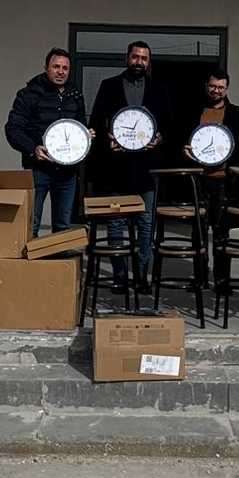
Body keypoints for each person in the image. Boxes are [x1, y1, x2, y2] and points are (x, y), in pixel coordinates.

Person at [87, 40, 174, 293]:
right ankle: (119, 276)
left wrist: (160, 138)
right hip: (117, 168)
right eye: (136, 57)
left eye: (144, 58)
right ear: (127, 58)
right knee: (116, 222)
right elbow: (97, 122)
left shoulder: (158, 88)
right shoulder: (109, 86)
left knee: (146, 223)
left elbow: (168, 123)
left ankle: (141, 276)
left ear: (149, 62)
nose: (139, 62)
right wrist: (107, 141)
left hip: (147, 168)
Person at [4, 47, 90, 235]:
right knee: (30, 223)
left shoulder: (75, 96)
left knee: (62, 226)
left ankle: (60, 256)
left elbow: (80, 125)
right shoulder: (29, 94)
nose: (61, 72)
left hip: (67, 171)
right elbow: (12, 129)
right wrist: (33, 148)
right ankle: (28, 255)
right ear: (46, 68)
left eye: (65, 68)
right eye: (56, 67)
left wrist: (86, 135)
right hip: (38, 169)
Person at [182, 68, 239, 258]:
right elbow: (178, 137)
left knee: (222, 232)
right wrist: (182, 148)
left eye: (221, 87)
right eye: (213, 86)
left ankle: (221, 275)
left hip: (224, 181)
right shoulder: (192, 110)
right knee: (199, 231)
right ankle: (200, 274)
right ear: (206, 86)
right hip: (199, 180)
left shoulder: (237, 114)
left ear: (227, 89)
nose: (216, 90)